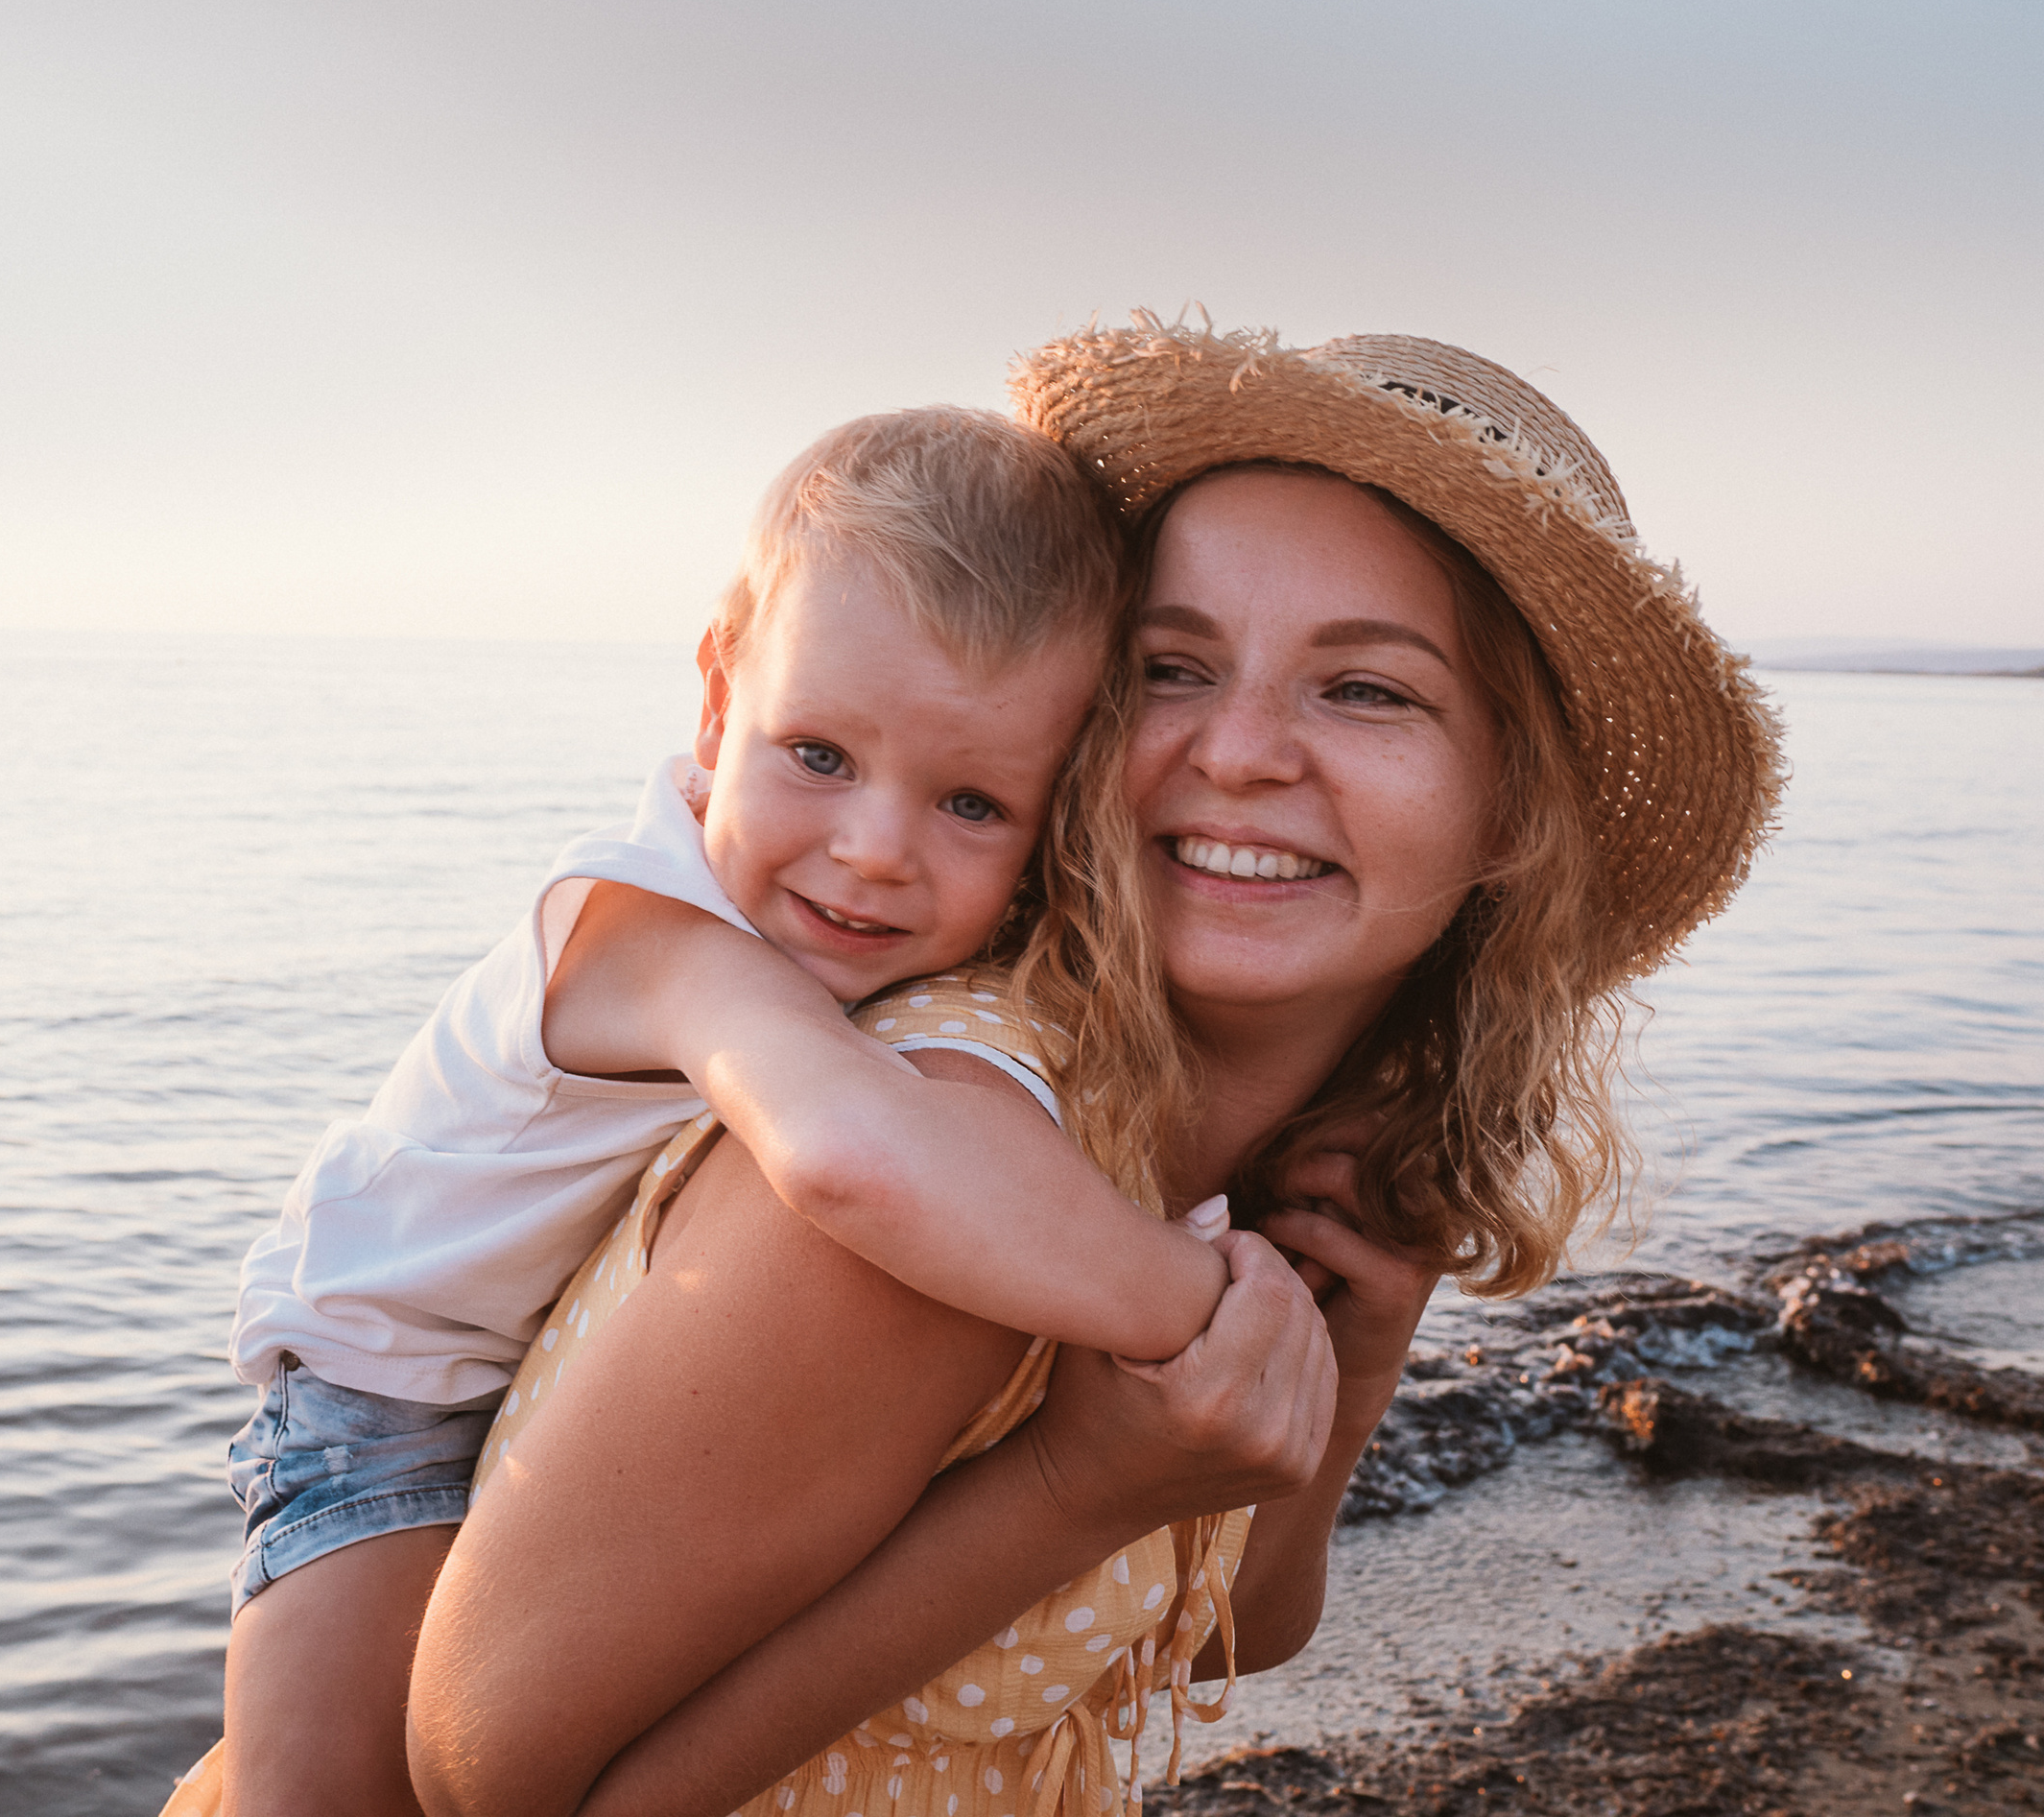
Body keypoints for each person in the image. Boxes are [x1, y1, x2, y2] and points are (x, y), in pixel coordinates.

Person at [400, 320, 1783, 1817]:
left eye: (1366, 690)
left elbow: (1234, 1627)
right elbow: (495, 1771)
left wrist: (1345, 1364)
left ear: (1515, 805)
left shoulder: (1283, 1158)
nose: (1240, 752)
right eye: (1173, 666)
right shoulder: (950, 1160)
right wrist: (1074, 1490)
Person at [200, 406, 1254, 1813]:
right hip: (373, 1405)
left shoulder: (866, 943)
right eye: (817, 755)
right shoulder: (650, 928)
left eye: (972, 806)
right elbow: (848, 1159)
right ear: (717, 694)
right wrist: (1202, 1306)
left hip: (519, 1402)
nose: (873, 854)